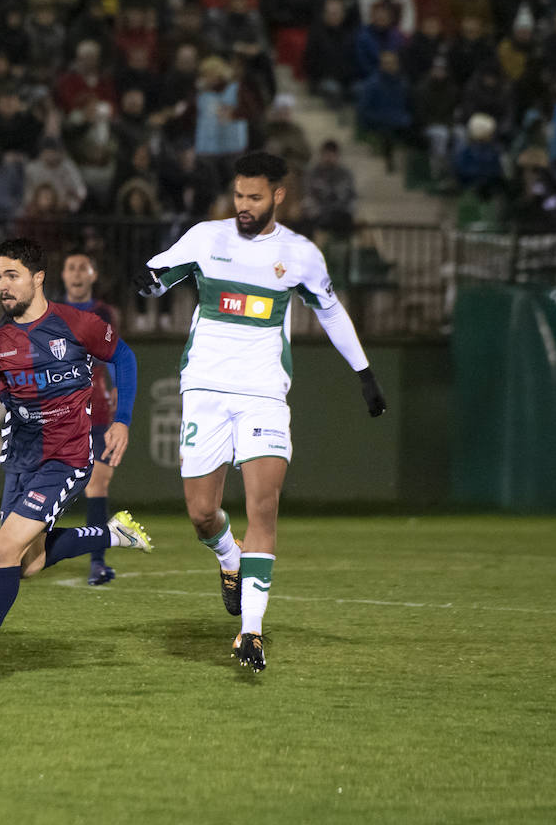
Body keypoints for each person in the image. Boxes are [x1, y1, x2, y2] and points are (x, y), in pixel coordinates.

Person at [136, 152, 387, 673]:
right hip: (205, 388)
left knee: (263, 507)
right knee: (201, 513)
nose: (244, 205)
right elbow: (161, 274)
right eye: (238, 195)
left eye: (254, 197)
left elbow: (331, 311)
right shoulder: (207, 238)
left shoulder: (300, 254)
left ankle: (250, 631)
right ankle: (229, 558)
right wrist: (149, 282)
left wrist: (364, 373)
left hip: (264, 393)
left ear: (278, 196)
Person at [0, 238, 149, 683]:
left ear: (38, 278)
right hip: (21, 458)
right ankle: (112, 534)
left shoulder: (76, 324)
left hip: (67, 457)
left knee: (3, 549)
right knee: (26, 564)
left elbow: (124, 357)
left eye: (12, 276)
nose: (3, 286)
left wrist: (122, 420)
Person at [55, 252, 123, 586]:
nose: (77, 273)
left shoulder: (103, 313)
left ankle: (97, 562)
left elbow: (113, 357)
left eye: (83, 268)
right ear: (63, 275)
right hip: (56, 411)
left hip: (96, 409)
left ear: (93, 275)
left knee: (98, 482)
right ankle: (31, 548)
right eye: (72, 267)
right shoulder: (50, 311)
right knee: (47, 484)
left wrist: (119, 398)